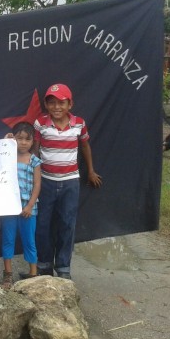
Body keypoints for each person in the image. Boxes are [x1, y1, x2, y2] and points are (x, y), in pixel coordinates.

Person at [34, 84, 102, 280]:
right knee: (43, 224)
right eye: (52, 102)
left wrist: (90, 171)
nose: (56, 107)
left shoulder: (79, 123)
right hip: (46, 181)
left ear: (70, 104)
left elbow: (85, 146)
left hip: (71, 182)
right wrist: (33, 175)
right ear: (46, 104)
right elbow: (35, 150)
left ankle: (63, 267)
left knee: (67, 224)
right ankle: (44, 265)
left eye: (61, 102)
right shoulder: (40, 123)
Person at [1, 121, 42, 290]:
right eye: (19, 138)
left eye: (27, 139)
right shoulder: (8, 156)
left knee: (29, 241)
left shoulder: (35, 161)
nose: (23, 142)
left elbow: (37, 185)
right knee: (8, 240)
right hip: (10, 207)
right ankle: (8, 275)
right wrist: (5, 142)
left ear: (33, 141)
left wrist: (29, 206)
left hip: (28, 208)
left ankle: (33, 274)